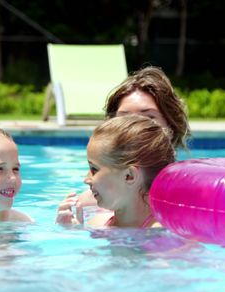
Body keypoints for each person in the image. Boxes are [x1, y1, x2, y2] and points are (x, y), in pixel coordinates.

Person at [67, 66, 191, 214]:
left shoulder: (188, 196)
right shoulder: (92, 201)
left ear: (171, 125)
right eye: (124, 118)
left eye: (148, 118)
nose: (134, 126)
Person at [56, 115, 175, 228]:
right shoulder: (98, 223)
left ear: (129, 176)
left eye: (94, 170)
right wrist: (71, 231)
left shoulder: (159, 234)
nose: (86, 179)